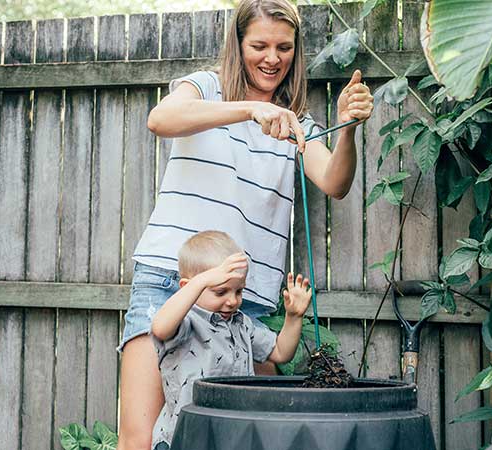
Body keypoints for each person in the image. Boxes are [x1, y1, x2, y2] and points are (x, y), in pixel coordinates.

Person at [116, 0, 374, 448]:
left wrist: (347, 128)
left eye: (284, 47)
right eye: (259, 45)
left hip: (243, 301)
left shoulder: (297, 124)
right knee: (140, 440)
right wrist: (248, 110)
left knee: (235, 440)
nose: (272, 58)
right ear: (238, 46)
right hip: (170, 285)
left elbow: (335, 181)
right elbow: (160, 119)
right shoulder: (206, 88)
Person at [149, 230, 311, 450]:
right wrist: (203, 280)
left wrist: (294, 317)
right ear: (189, 287)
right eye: (220, 291)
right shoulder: (187, 323)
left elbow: (281, 352)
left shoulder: (241, 324)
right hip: (184, 437)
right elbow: (159, 328)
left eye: (239, 291)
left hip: (231, 435)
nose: (232, 301)